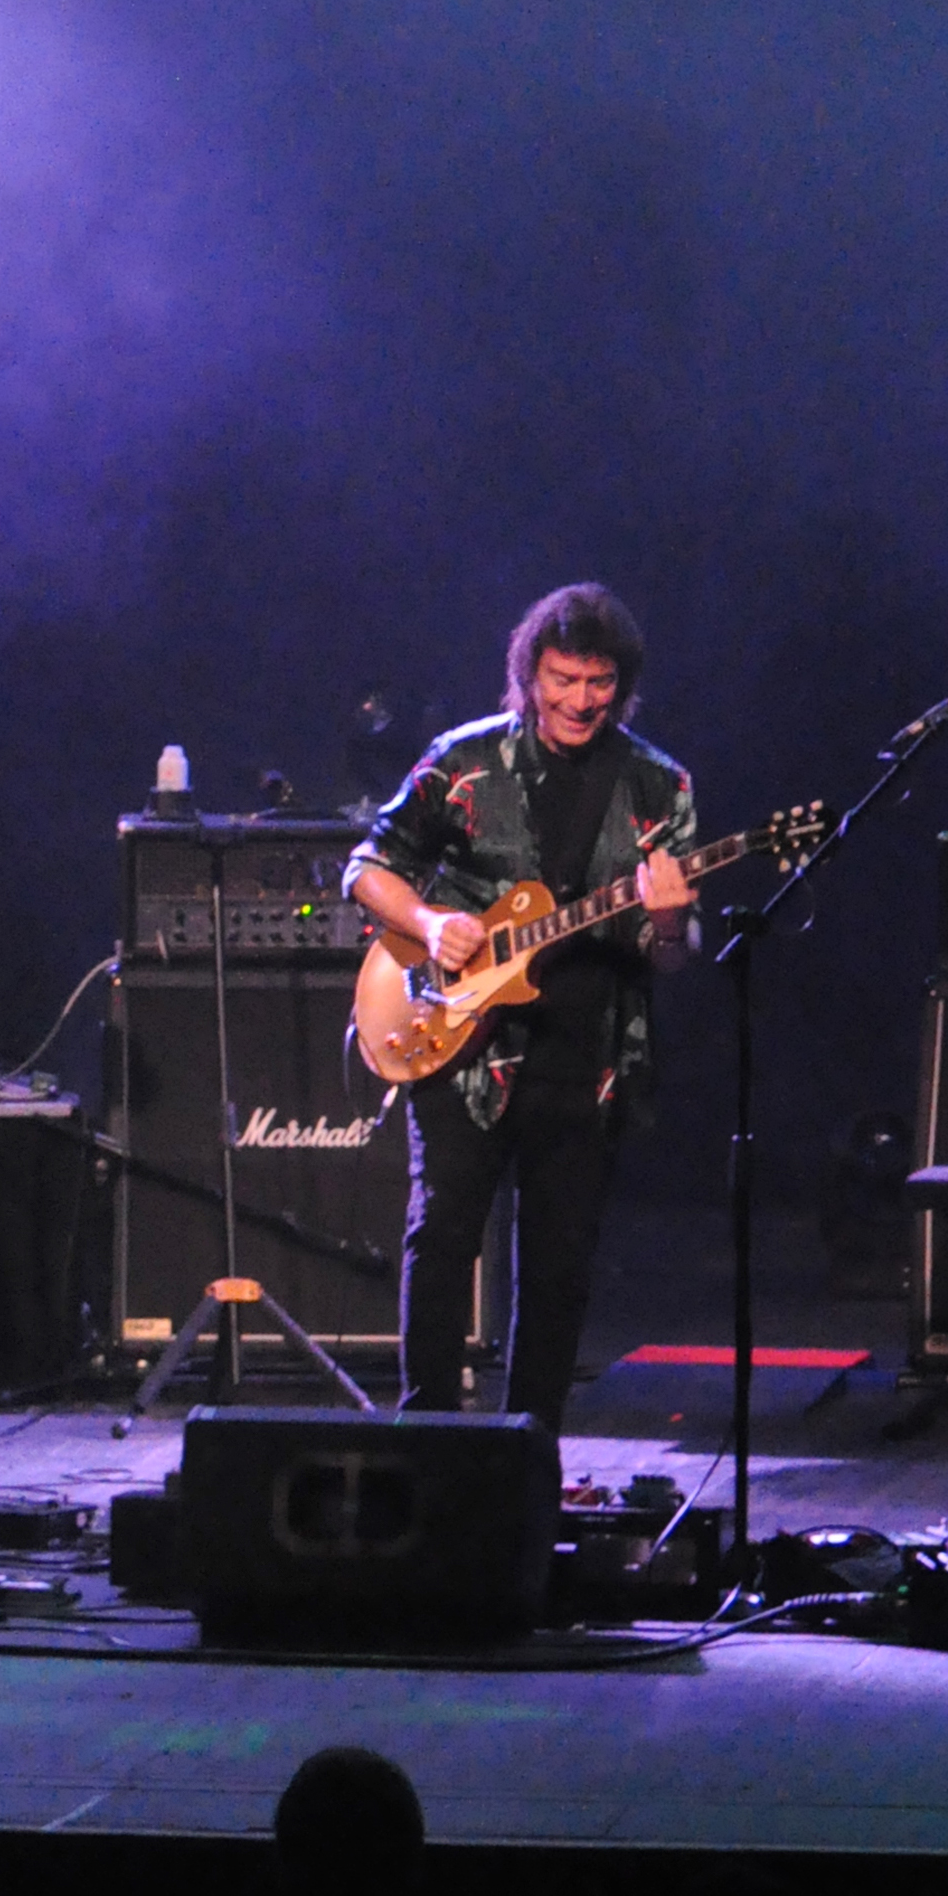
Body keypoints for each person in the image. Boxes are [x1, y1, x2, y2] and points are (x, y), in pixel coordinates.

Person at [345, 583, 696, 1430]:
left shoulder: (658, 784)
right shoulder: (463, 764)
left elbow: (673, 959)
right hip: (460, 1044)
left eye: (599, 682)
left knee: (559, 1272)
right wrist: (431, 923)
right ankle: (425, 1440)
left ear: (624, 683)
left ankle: (528, 1455)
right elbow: (366, 868)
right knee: (441, 1249)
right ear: (530, 674)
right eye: (563, 678)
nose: (581, 700)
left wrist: (670, 916)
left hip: (590, 1063)